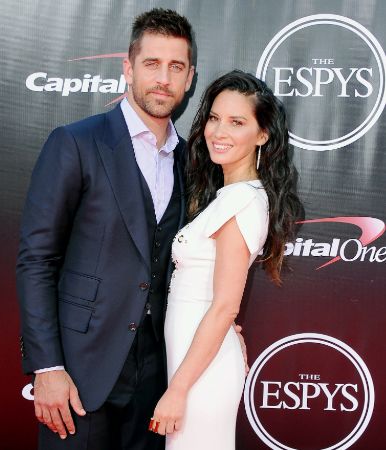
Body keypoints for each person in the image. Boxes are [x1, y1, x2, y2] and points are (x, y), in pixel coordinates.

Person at [16, 8, 201, 450]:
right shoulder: (76, 142)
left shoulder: (190, 161)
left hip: (157, 375)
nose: (163, 79)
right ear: (128, 69)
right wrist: (47, 367)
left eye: (176, 67)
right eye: (152, 64)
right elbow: (36, 259)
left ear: (190, 77)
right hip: (79, 372)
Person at [149, 70, 301, 449]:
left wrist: (178, 390)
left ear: (262, 134)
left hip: (201, 373)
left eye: (237, 122)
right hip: (196, 360)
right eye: (215, 118)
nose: (219, 131)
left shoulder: (242, 201)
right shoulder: (230, 196)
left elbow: (224, 307)